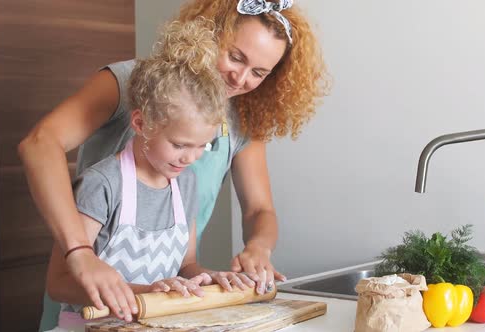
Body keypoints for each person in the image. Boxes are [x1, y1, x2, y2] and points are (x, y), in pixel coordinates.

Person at [18, 0, 328, 328]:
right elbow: (40, 144)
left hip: (158, 307)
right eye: (236, 57)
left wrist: (258, 248)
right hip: (84, 301)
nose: (240, 78)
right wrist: (79, 252)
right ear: (210, 33)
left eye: (259, 73)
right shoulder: (134, 85)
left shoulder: (241, 121)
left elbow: (258, 211)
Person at [45, 19, 254, 332]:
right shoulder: (102, 185)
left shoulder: (186, 182)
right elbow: (59, 283)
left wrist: (208, 279)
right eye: (179, 145)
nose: (191, 158)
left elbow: (186, 264)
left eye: (203, 146)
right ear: (141, 124)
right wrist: (143, 293)